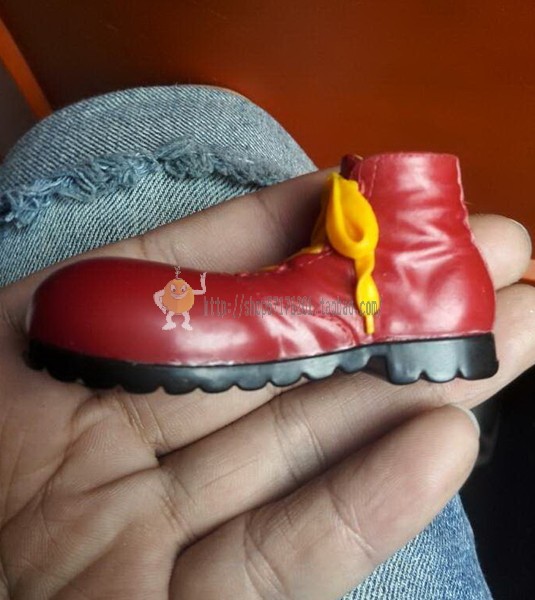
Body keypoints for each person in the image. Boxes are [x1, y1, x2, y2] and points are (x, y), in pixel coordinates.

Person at [0, 86, 533, 599]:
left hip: (372, 287)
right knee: (227, 120)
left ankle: (396, 298)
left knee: (214, 119)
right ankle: (425, 299)